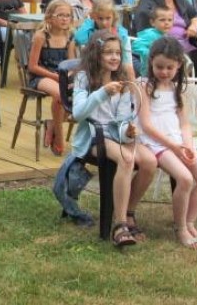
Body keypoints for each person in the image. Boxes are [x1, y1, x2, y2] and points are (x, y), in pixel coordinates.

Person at [65, 30, 156, 246]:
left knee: (150, 162)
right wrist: (103, 92)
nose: (114, 57)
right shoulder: (84, 77)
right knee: (127, 159)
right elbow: (78, 113)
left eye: (117, 53)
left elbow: (122, 120)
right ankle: (120, 225)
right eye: (108, 53)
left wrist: (128, 132)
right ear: (96, 54)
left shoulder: (122, 80)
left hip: (116, 136)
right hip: (94, 137)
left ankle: (128, 210)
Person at [137, 37, 197, 248]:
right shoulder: (144, 86)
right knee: (185, 179)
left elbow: (185, 123)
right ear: (151, 62)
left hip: (178, 142)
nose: (164, 72)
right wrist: (174, 147)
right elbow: (146, 125)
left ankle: (189, 222)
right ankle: (180, 229)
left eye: (169, 68)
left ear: (179, 65)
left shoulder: (177, 87)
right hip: (156, 143)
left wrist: (187, 145)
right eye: (159, 67)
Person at [26, 0, 76, 156]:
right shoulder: (41, 36)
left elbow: (72, 63)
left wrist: (68, 75)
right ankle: (59, 138)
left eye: (67, 15)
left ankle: (52, 123)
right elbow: (32, 66)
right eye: (60, 15)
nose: (64, 19)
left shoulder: (70, 37)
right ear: (49, 17)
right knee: (61, 95)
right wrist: (55, 77)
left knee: (76, 94)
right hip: (42, 75)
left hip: (62, 76)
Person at [74, 0, 135, 81]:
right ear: (94, 17)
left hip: (115, 70)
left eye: (108, 18)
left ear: (113, 17)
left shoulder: (121, 34)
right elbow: (78, 38)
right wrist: (89, 21)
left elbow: (127, 61)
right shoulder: (90, 31)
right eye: (100, 18)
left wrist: (131, 81)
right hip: (93, 70)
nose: (104, 22)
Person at [132, 6, 174, 77]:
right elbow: (135, 45)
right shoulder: (150, 34)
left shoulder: (168, 36)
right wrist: (149, 54)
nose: (167, 23)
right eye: (162, 20)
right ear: (152, 22)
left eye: (170, 20)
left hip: (162, 69)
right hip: (148, 71)